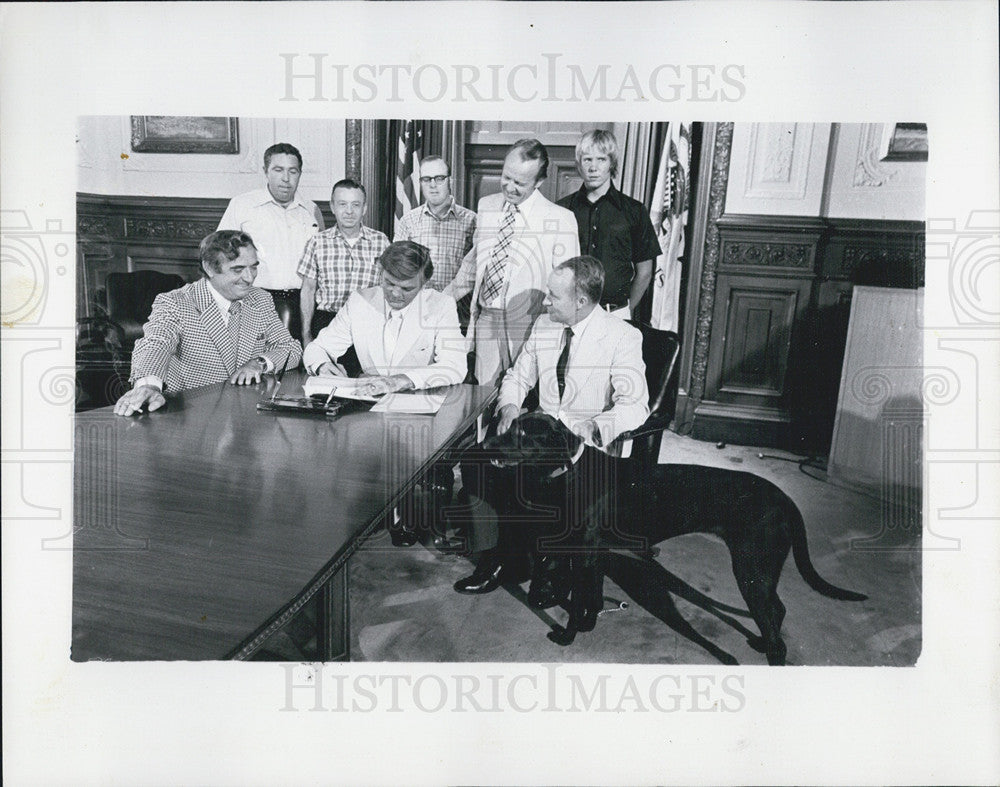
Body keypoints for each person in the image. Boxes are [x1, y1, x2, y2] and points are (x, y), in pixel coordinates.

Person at [453, 255, 649, 594]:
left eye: (554, 296)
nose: (545, 301)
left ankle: (552, 565)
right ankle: (497, 559)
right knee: (476, 461)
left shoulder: (622, 337)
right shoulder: (545, 325)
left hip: (584, 447)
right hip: (539, 437)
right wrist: (510, 405)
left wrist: (596, 427)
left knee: (536, 480)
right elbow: (518, 375)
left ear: (582, 301)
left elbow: (635, 404)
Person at [113, 230, 302, 416]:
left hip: (247, 418)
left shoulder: (260, 299)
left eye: (253, 267)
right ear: (209, 268)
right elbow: (156, 343)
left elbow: (290, 349)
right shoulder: (176, 302)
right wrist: (149, 385)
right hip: (191, 418)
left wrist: (259, 363)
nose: (250, 277)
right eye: (238, 269)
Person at [444, 138, 579, 386]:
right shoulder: (487, 206)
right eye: (507, 177)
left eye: (520, 183)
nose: (510, 187)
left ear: (539, 182)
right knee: (482, 403)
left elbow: (567, 290)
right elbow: (473, 267)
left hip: (531, 326)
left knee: (520, 404)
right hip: (487, 321)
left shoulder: (561, 220)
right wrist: (439, 302)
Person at [302, 240, 467, 396]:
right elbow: (318, 348)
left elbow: (455, 366)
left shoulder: (441, 305)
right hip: (366, 404)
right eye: (389, 283)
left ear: (424, 284)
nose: (395, 294)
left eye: (406, 288)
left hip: (419, 403)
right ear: (380, 272)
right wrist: (322, 365)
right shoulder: (359, 301)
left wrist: (400, 381)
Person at [217, 143, 324, 341]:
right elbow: (220, 258)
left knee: (296, 367)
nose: (286, 179)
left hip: (303, 306)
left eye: (293, 171)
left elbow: (322, 266)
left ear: (300, 173)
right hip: (253, 302)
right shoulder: (242, 205)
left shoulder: (311, 210)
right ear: (266, 171)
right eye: (278, 170)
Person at [557, 130, 662, 318]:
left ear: (611, 163)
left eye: (601, 159)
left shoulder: (634, 211)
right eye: (587, 159)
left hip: (616, 312)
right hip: (573, 312)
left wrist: (626, 311)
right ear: (578, 164)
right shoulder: (563, 209)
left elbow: (645, 271)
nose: (593, 167)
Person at [298, 178, 390, 348]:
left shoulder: (381, 241)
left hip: (368, 325)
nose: (349, 211)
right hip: (327, 322)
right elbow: (308, 290)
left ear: (364, 208)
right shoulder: (317, 242)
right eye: (342, 204)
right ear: (332, 207)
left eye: (356, 205)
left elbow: (388, 288)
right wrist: (306, 335)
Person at [394, 155, 476, 293]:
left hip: (457, 307)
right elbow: (397, 267)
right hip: (417, 306)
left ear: (450, 181)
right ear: (420, 183)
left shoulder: (471, 221)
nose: (432, 185)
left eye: (439, 178)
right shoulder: (408, 221)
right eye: (426, 179)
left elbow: (475, 270)